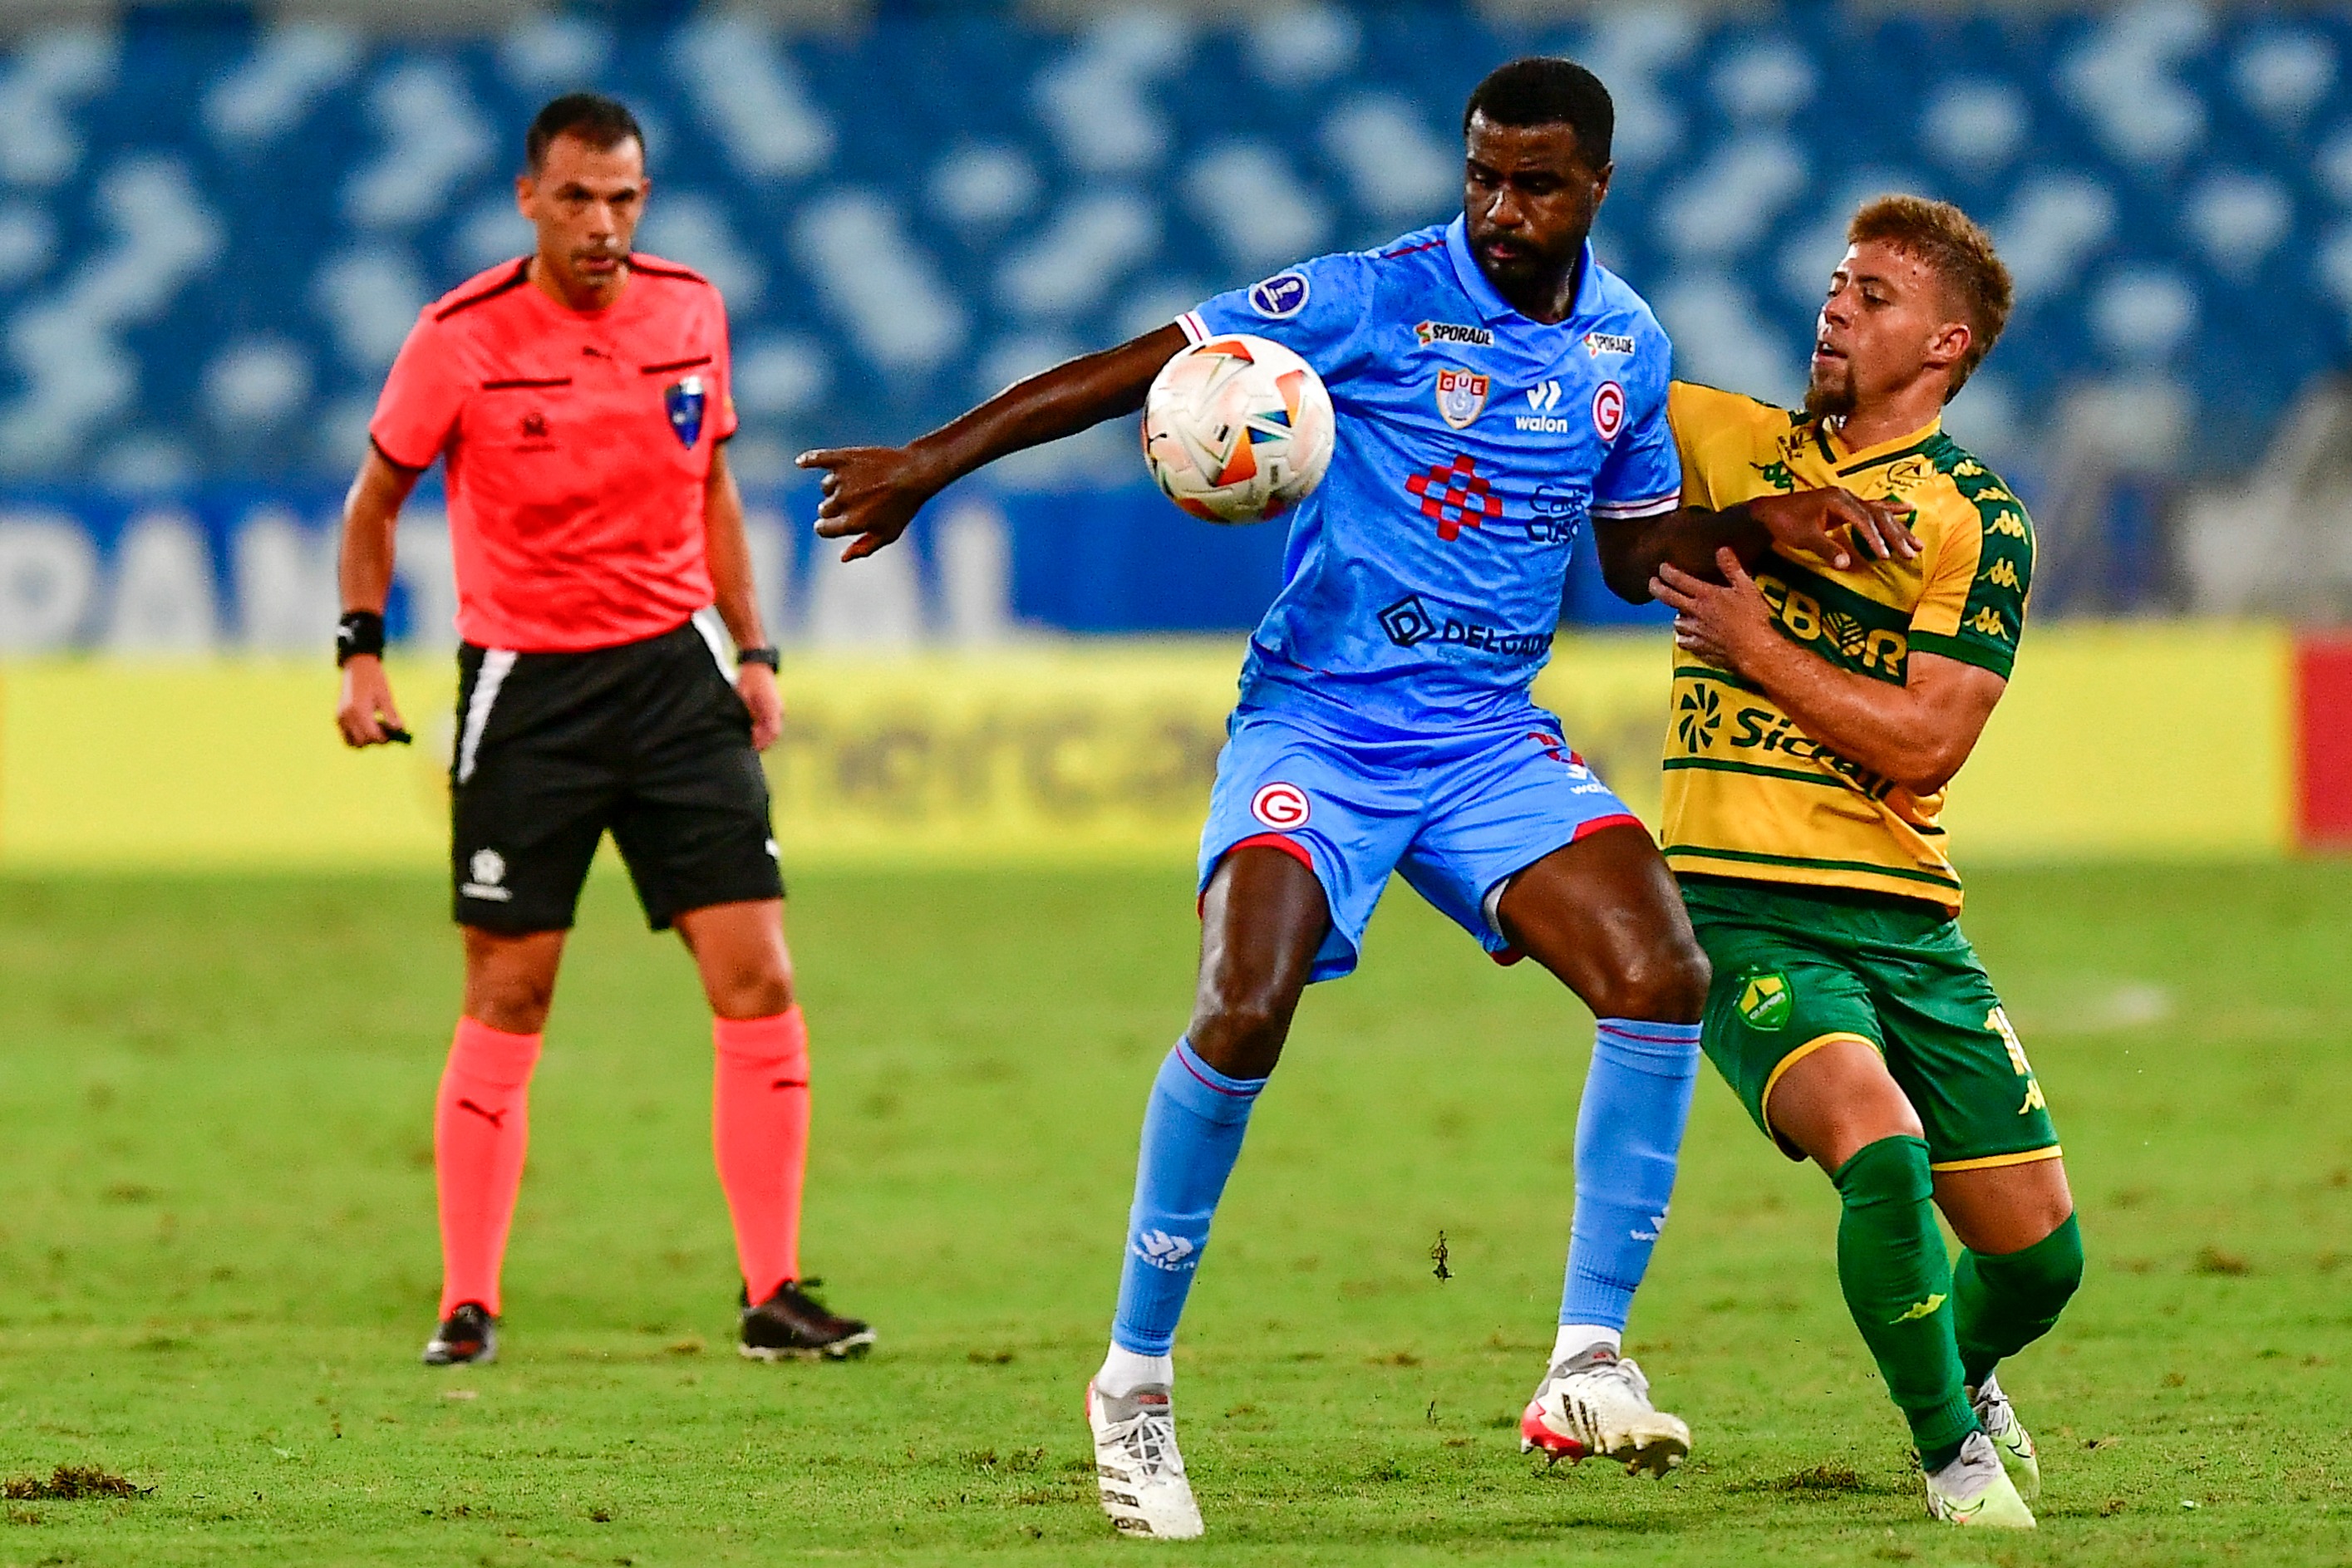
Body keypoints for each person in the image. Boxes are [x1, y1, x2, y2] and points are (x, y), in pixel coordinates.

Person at [801, 58, 1910, 1541]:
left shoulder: (1624, 348)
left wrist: (1766, 526)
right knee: (1244, 1002)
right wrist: (934, 461)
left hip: (1486, 744)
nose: (1499, 209)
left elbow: (1636, 559)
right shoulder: (1374, 296)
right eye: (1480, 177)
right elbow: (1145, 360)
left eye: (1533, 183)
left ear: (1596, 188)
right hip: (1316, 731)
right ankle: (1132, 1384)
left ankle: (1586, 1361)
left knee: (1659, 972)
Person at [333, 93, 871, 1368]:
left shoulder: (690, 309)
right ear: (529, 198)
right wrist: (360, 657)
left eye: (625, 199)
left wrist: (753, 652)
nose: (603, 224)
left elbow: (716, 488)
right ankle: (469, 1301)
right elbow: (373, 503)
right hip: (531, 696)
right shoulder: (456, 338)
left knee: (760, 978)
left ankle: (775, 1291)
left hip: (678, 683)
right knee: (510, 992)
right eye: (577, 198)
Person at [1639, 195, 2079, 1528]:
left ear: (1943, 346)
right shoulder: (1725, 442)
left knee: (2042, 1263)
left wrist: (1756, 643)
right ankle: (1950, 1455)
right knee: (1876, 1154)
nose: (1835, 306)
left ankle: (1963, 1365)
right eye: (1837, 283)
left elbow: (1928, 744)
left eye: (1874, 296)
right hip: (1740, 913)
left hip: (1906, 921)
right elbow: (1567, 416)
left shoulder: (1975, 521)